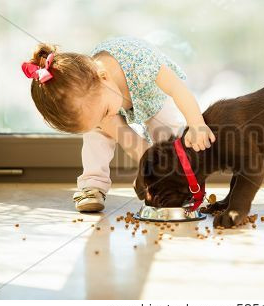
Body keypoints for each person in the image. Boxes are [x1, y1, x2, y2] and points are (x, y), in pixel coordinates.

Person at [22, 36, 215, 212]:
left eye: (104, 113)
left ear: (104, 77)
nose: (104, 121)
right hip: (112, 99)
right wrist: (150, 173)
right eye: (96, 120)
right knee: (96, 137)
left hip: (152, 96)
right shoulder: (95, 98)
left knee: (168, 136)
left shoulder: (142, 63)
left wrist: (196, 122)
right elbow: (130, 141)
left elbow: (177, 88)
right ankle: (92, 185)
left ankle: (181, 184)